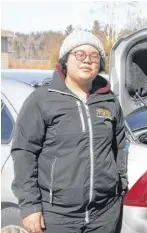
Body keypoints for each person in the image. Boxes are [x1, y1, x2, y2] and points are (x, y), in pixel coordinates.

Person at [11, 30, 128, 233]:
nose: (87, 61)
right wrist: (30, 206)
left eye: (94, 56)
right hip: (57, 216)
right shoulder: (42, 99)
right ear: (66, 59)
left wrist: (120, 184)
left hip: (105, 212)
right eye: (80, 54)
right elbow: (24, 152)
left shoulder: (108, 101)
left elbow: (120, 145)